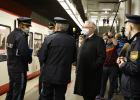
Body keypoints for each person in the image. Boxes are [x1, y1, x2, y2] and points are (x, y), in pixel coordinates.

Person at [38, 17, 77, 100]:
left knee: (46, 96)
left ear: (57, 27)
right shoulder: (72, 41)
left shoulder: (49, 39)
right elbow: (74, 58)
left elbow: (41, 57)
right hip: (63, 75)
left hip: (49, 75)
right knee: (60, 96)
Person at [74, 20, 106, 100]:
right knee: (85, 94)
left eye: (85, 27)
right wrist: (77, 70)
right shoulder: (85, 40)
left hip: (92, 74)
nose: (83, 29)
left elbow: (102, 57)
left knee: (90, 95)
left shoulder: (98, 40)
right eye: (83, 27)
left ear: (92, 28)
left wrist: (93, 66)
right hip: (83, 73)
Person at [6, 17, 32, 100]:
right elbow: (24, 52)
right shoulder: (21, 37)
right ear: (20, 25)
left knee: (11, 90)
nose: (28, 28)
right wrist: (29, 59)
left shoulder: (10, 35)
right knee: (19, 92)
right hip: (19, 68)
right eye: (27, 26)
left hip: (11, 67)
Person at [117, 14, 140, 100]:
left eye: (126, 26)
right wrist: (126, 59)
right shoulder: (135, 41)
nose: (125, 28)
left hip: (134, 90)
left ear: (130, 27)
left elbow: (135, 67)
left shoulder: (137, 43)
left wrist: (122, 64)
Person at [96, 32, 119, 100]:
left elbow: (116, 45)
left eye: (107, 38)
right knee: (103, 82)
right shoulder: (103, 47)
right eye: (104, 39)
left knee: (112, 83)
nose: (106, 40)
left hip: (113, 67)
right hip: (104, 67)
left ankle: (110, 96)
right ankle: (101, 94)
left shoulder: (114, 46)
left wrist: (111, 36)